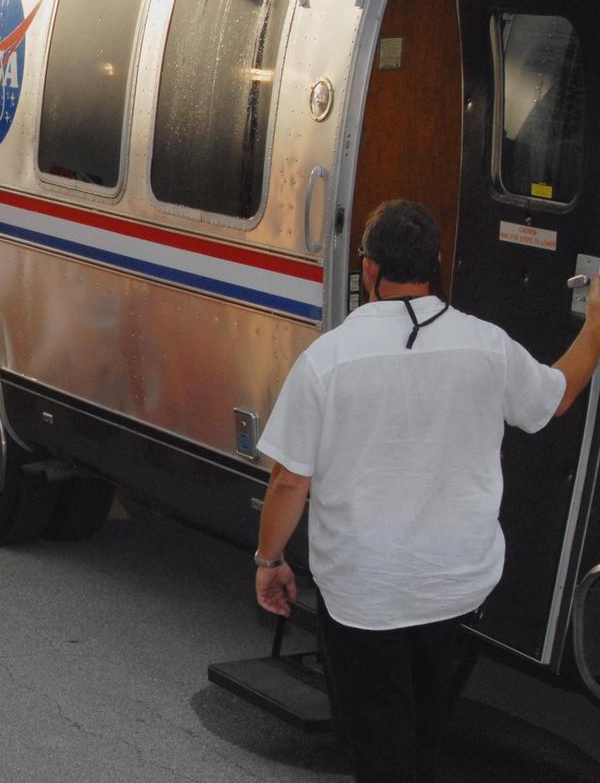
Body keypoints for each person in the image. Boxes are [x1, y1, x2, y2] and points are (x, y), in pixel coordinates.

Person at [253, 199, 600, 783]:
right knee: (422, 729)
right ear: (436, 263)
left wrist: (269, 560)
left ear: (368, 269)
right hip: (455, 585)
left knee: (377, 744)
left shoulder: (328, 360)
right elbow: (557, 394)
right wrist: (596, 323)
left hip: (365, 594)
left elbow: (290, 480)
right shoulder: (487, 346)